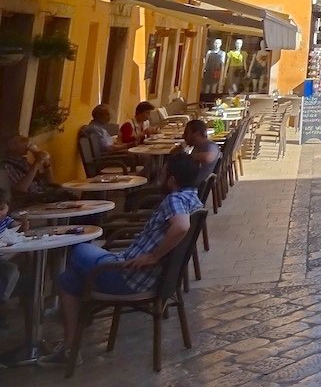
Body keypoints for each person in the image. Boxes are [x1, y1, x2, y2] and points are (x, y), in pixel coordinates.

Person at [41, 153, 203, 366]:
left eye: (163, 173)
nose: (160, 176)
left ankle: (71, 314)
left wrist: (153, 256)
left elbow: (181, 226)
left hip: (128, 277)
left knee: (77, 249)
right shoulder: (194, 199)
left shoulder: (176, 199)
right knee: (67, 280)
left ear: (172, 180)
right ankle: (70, 345)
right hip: (151, 277)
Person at [2, 133, 73, 204]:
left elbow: (50, 182)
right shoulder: (6, 166)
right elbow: (20, 190)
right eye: (22, 140)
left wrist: (45, 162)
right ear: (11, 146)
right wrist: (36, 163)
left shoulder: (23, 162)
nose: (27, 141)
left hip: (43, 195)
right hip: (31, 201)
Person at [78, 105, 142, 173]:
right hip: (106, 162)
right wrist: (128, 145)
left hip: (108, 158)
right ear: (99, 116)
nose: (109, 118)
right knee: (139, 159)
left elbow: (110, 143)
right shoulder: (95, 130)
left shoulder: (99, 128)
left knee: (138, 157)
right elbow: (108, 148)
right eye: (107, 115)